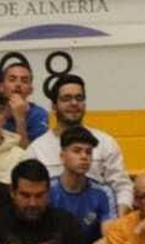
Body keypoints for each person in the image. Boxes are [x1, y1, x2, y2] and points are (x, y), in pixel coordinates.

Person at [26, 74, 133, 211]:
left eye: (79, 98)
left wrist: (119, 221)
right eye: (66, 99)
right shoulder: (37, 149)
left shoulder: (105, 142)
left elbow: (122, 187)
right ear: (54, 106)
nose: (74, 103)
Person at [48, 126, 114, 244]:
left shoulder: (103, 193)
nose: (84, 156)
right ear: (62, 157)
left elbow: (110, 238)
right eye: (77, 151)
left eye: (88, 152)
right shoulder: (47, 190)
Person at [0, 57, 49, 145]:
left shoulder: (39, 115)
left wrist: (20, 118)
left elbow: (30, 152)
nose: (18, 84)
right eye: (12, 80)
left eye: (24, 81)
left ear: (30, 90)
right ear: (1, 87)